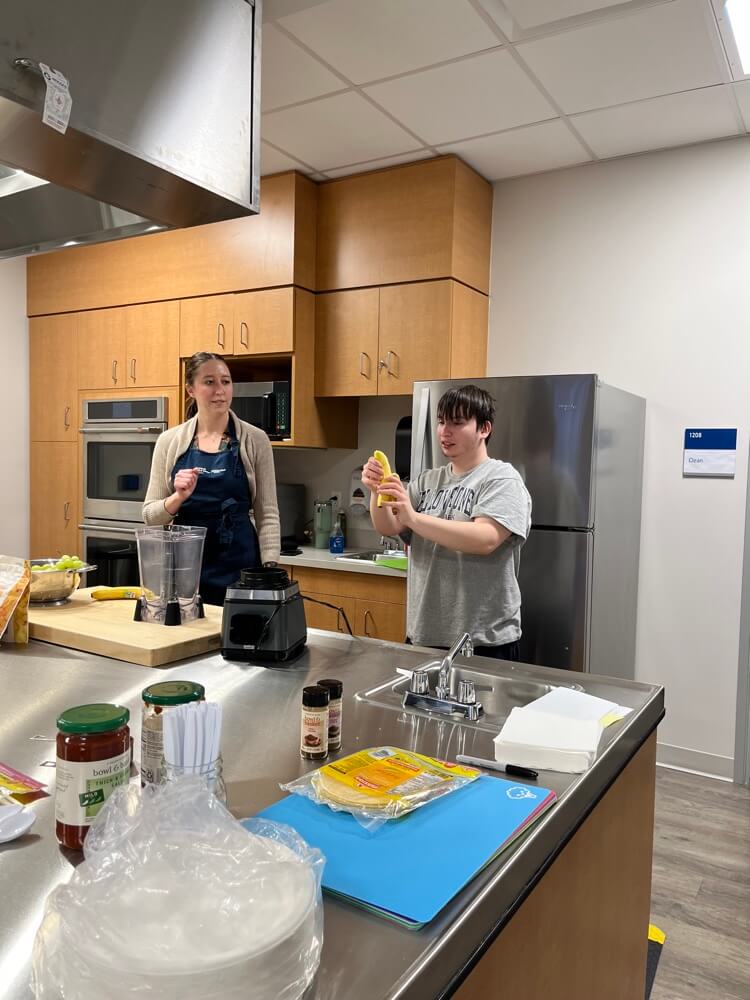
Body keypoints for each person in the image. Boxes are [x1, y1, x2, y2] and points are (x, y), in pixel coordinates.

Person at [362, 384, 531, 660]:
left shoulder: (501, 479)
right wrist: (375, 491)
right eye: (441, 422)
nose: (444, 431)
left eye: (457, 422)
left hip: (484, 643)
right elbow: (389, 526)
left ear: (484, 429)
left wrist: (414, 517)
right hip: (425, 636)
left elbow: (485, 538)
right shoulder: (428, 481)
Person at [143, 352, 280, 606]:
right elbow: (150, 516)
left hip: (241, 565)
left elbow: (268, 513)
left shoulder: (255, 440)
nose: (220, 390)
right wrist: (177, 497)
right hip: (185, 569)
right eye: (209, 382)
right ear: (190, 390)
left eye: (226, 382)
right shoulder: (169, 442)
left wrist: (269, 568)